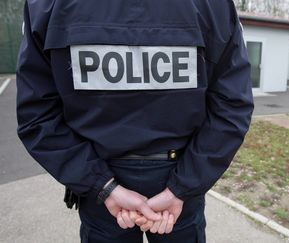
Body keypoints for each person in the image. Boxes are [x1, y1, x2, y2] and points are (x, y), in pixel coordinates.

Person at [15, 1, 254, 242]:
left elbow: (37, 114)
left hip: (101, 185)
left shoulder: (46, 5)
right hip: (177, 181)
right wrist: (181, 188)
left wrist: (104, 187)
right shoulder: (214, 5)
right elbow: (232, 107)